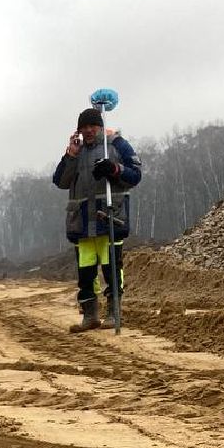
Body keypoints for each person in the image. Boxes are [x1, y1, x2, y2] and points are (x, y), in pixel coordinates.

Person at [52, 107, 142, 332]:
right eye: (84, 127)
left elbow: (135, 175)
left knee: (112, 269)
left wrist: (113, 168)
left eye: (92, 126)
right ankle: (90, 316)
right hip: (81, 223)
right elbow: (60, 181)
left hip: (109, 219)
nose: (88, 130)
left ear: (100, 126)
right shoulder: (76, 151)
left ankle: (114, 312)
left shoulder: (116, 144)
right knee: (85, 274)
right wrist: (70, 155)